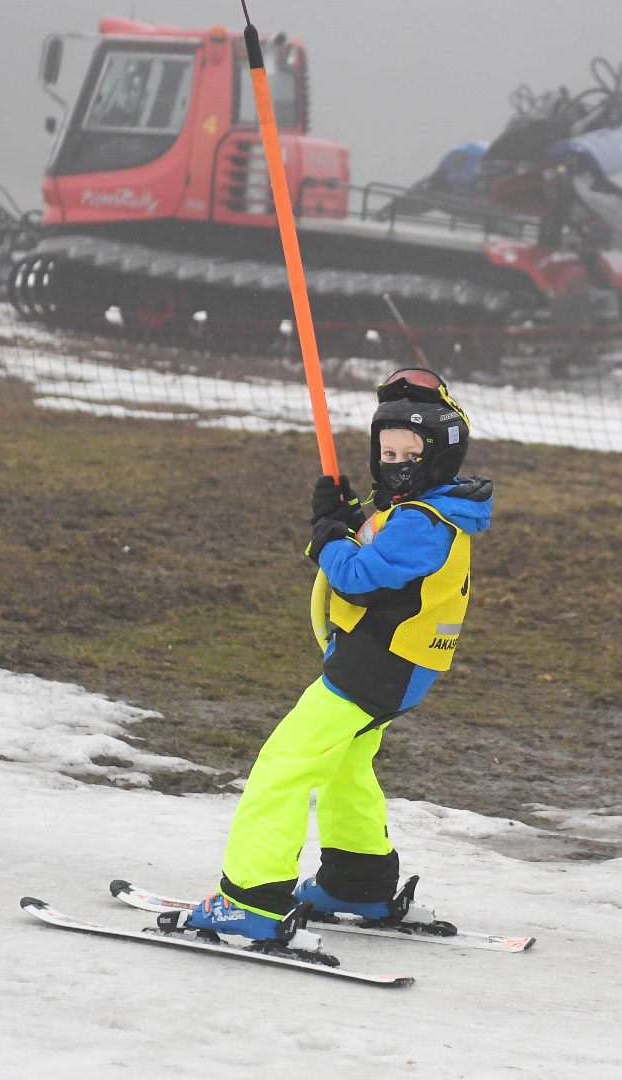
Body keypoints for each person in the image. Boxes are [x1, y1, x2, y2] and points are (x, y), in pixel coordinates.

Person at [184, 368, 492, 943]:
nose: (396, 464)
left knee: (285, 764)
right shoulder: (420, 509)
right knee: (345, 764)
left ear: (441, 455)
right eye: (387, 452)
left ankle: (251, 898)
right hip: (391, 664)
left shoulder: (425, 522)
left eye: (411, 453)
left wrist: (328, 535)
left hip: (378, 665)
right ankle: (357, 883)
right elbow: (377, 549)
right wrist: (347, 518)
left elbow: (359, 577)